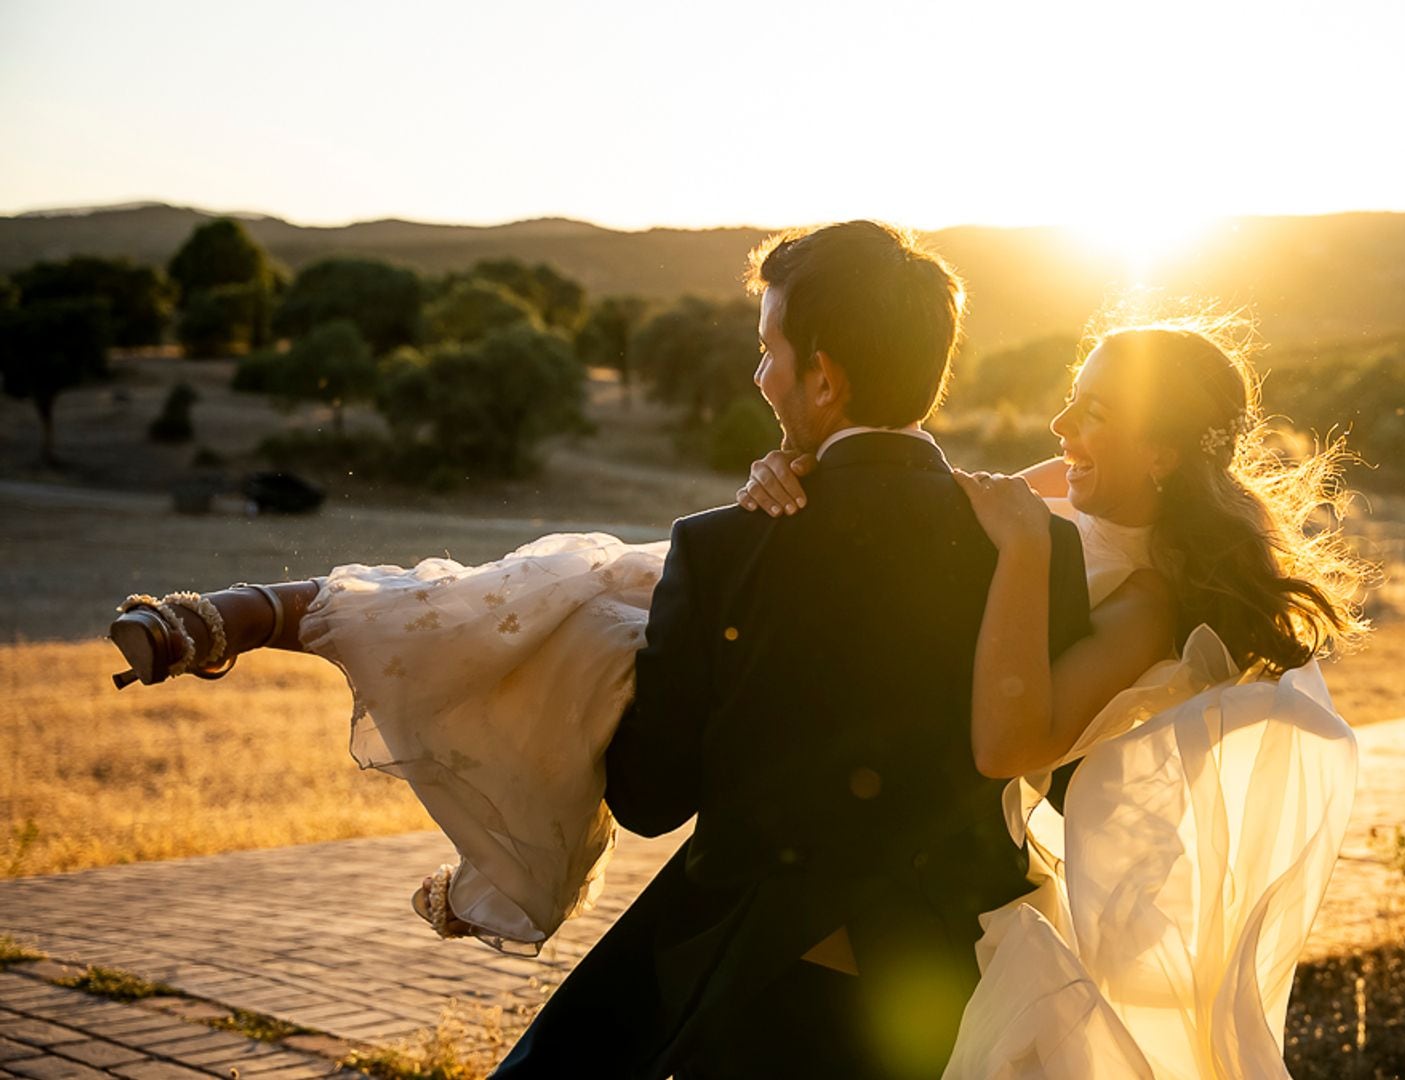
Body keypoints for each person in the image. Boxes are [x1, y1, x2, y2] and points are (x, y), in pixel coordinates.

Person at [109, 221, 1096, 1078]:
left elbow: (651, 797)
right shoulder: (1041, 546)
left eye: (768, 350)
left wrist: (586, 675)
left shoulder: (725, 546)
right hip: (971, 986)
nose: (759, 376)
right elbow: (1059, 764)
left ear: (825, 378)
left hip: (760, 982)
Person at [737, 318, 1371, 1077]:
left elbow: (1007, 747)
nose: (1060, 425)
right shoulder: (1079, 489)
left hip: (958, 901)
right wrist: (799, 470)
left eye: (1095, 413)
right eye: (1073, 399)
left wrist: (1027, 550)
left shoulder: (1146, 605)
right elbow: (915, 503)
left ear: (1161, 453)